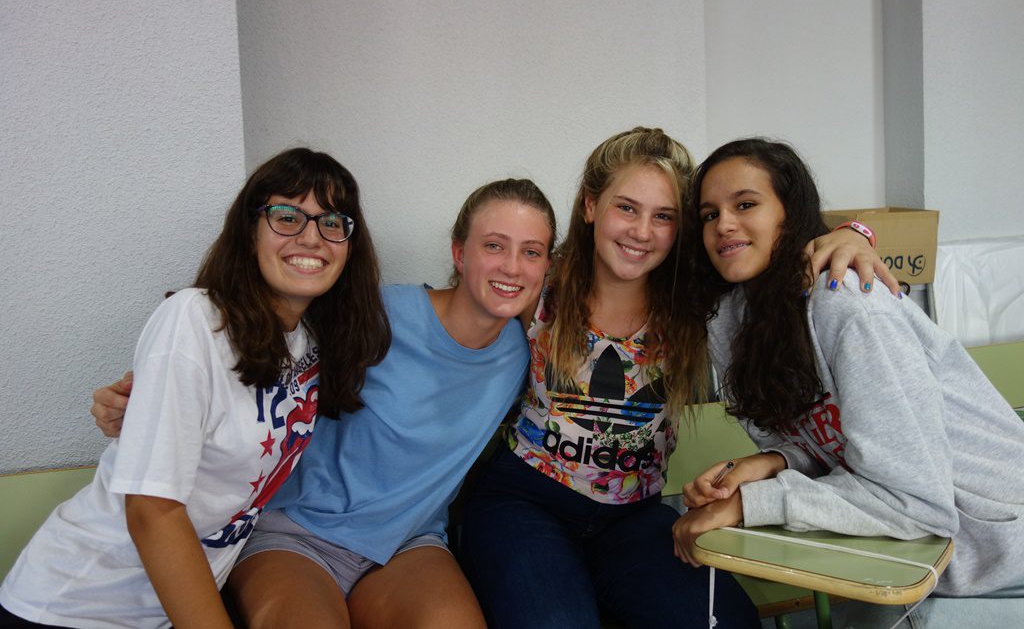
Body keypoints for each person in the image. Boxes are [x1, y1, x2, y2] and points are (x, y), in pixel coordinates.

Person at [458, 127, 896, 628]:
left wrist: (854, 234)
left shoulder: (698, 302)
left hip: (634, 515)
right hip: (526, 500)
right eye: (627, 208)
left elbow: (781, 249)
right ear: (591, 206)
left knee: (729, 623)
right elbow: (464, 302)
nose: (642, 231)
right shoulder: (542, 285)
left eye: (664, 216)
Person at [90, 178, 557, 628]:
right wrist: (144, 398)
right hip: (294, 534)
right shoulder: (376, 313)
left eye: (531, 252)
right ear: (459, 253)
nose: (512, 267)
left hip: (406, 544)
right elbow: (254, 341)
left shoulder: (527, 354)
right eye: (494, 246)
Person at [0, 148, 390, 628]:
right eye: (287, 217)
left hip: (172, 608)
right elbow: (152, 509)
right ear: (250, 230)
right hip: (79, 606)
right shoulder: (194, 318)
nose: (312, 237)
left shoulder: (312, 340)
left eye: (332, 222)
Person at [673, 137, 1024, 627]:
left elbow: (916, 504)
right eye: (709, 214)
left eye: (746, 204)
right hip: (905, 553)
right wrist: (774, 461)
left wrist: (750, 503)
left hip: (992, 557)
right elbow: (836, 444)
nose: (724, 225)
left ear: (790, 214)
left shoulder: (846, 301)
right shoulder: (732, 319)